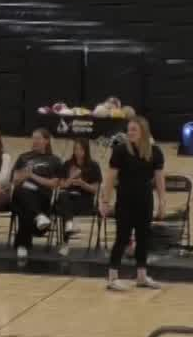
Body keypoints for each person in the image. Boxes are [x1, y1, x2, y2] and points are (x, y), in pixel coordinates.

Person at [104, 118, 167, 290]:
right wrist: (105, 201)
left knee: (143, 237)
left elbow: (160, 179)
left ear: (143, 132)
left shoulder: (155, 151)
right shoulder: (120, 151)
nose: (130, 133)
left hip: (145, 199)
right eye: (129, 130)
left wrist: (162, 201)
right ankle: (112, 277)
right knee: (122, 237)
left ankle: (141, 276)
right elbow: (110, 177)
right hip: (125, 198)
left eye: (134, 130)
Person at [9, 128, 64, 259]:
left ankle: (22, 245)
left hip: (42, 196)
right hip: (21, 193)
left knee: (25, 208)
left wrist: (32, 176)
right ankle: (39, 216)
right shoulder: (24, 157)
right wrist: (23, 177)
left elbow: (54, 184)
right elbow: (15, 181)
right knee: (22, 191)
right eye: (33, 138)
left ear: (46, 141)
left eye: (38, 138)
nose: (35, 141)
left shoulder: (54, 160)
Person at [55, 136, 102, 258]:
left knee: (65, 205)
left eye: (80, 149)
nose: (77, 152)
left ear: (86, 151)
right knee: (63, 196)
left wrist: (83, 184)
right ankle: (69, 227)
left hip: (84, 200)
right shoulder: (67, 164)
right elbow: (61, 185)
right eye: (75, 149)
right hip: (67, 198)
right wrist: (71, 180)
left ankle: (65, 241)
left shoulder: (93, 166)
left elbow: (95, 189)